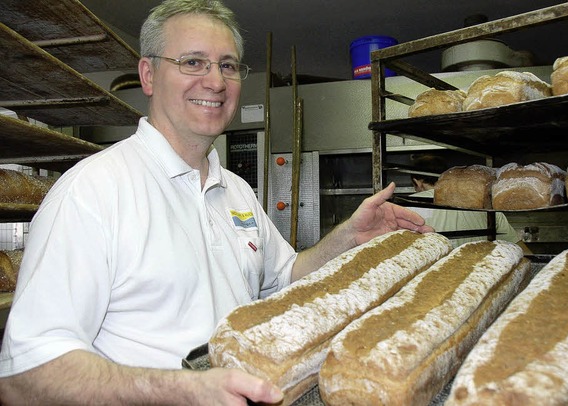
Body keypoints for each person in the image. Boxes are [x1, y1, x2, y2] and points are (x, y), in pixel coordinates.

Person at [0, 1, 433, 404]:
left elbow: (282, 278)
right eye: (193, 62)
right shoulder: (92, 191)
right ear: (148, 75)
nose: (215, 81)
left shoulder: (236, 190)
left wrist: (347, 237)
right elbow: (24, 375)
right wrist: (182, 389)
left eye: (227, 66)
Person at [408, 155, 530, 252]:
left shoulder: (407, 207)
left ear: (417, 182)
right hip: (477, 276)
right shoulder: (485, 204)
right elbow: (521, 250)